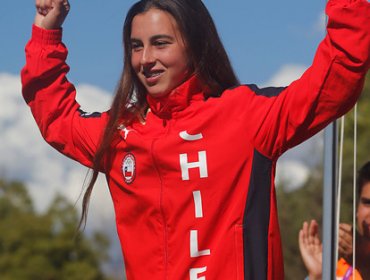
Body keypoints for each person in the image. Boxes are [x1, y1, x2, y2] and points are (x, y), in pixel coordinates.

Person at [21, 0, 369, 279]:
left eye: (161, 43)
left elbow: (336, 78)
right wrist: (46, 30)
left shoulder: (247, 117)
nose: (146, 60)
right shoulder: (119, 134)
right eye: (136, 46)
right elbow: (55, 116)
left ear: (196, 45)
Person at [299, 162, 370, 280]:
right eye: (367, 203)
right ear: (357, 208)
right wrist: (317, 276)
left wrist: (364, 262)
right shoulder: (335, 270)